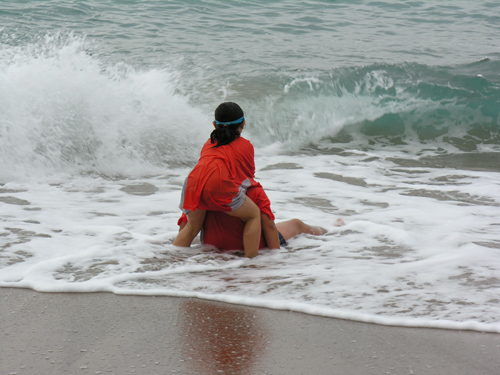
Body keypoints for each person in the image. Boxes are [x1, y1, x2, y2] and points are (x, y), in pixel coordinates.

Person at [173, 102, 279, 258]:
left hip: (192, 181)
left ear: (215, 125)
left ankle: (173, 259)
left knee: (192, 227)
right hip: (218, 182)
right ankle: (251, 262)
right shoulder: (246, 145)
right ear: (243, 125)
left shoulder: (208, 144)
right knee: (253, 215)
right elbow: (246, 177)